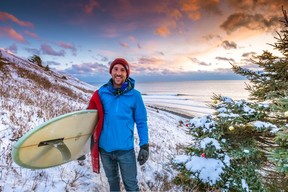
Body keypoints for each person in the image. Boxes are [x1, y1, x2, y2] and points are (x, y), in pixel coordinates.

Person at [87, 58, 149, 191]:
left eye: (122, 70)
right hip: (105, 150)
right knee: (113, 184)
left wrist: (144, 145)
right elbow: (89, 118)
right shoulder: (101, 93)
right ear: (111, 72)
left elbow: (141, 121)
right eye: (115, 69)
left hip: (125, 150)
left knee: (131, 186)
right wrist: (83, 144)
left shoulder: (135, 96)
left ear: (127, 74)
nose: (118, 73)